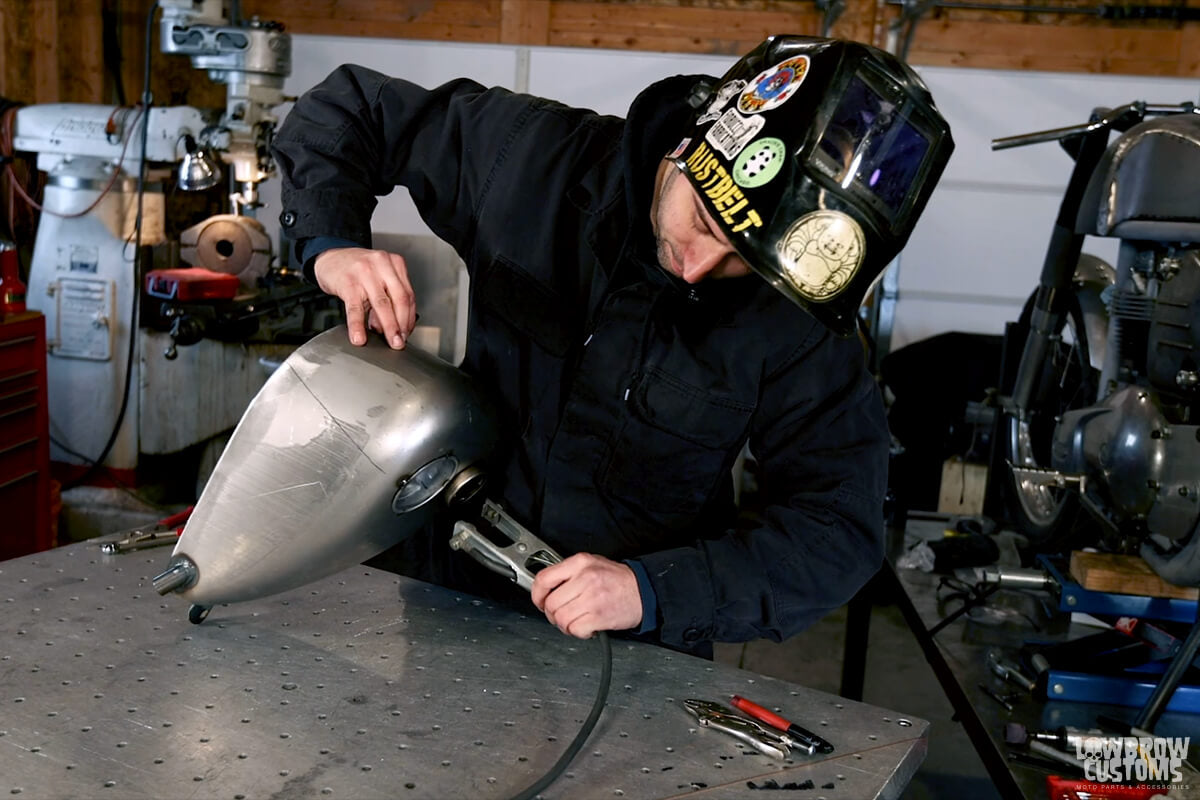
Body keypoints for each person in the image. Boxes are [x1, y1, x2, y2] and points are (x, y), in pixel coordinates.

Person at [271, 35, 954, 655]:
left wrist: (653, 592)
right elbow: (353, 109)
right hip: (451, 596)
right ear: (692, 147)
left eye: (737, 263)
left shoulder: (792, 315)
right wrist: (334, 245)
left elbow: (838, 528)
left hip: (638, 645)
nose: (695, 270)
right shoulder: (533, 162)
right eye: (705, 228)